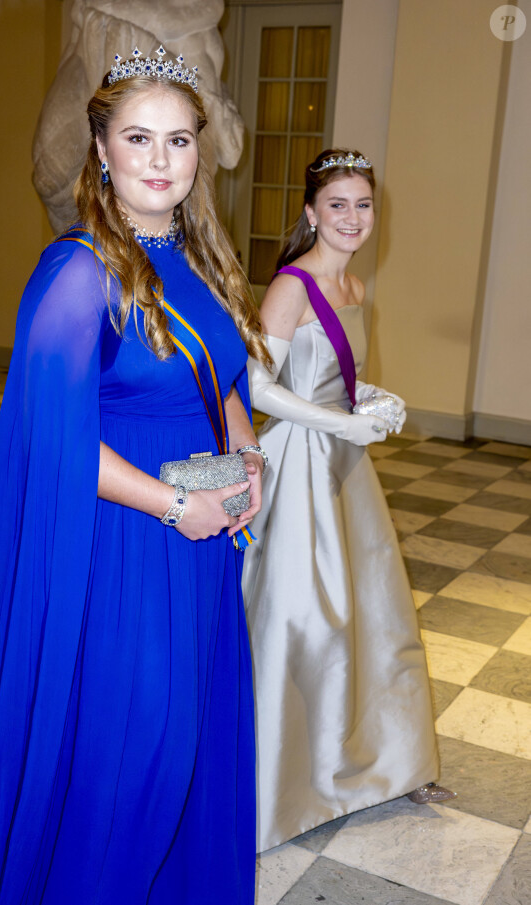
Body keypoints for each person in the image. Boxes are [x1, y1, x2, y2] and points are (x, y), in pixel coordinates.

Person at [0, 47, 270, 903]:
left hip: (201, 539)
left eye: (178, 140)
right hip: (128, 541)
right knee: (137, 751)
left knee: (192, 737)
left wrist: (247, 455)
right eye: (139, 138)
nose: (162, 161)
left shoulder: (201, 258)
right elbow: (54, 437)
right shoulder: (75, 273)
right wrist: (178, 505)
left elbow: (226, 376)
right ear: (101, 148)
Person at [242, 149, 454, 853]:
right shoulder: (291, 287)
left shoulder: (356, 288)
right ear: (311, 213)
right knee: (307, 620)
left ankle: (390, 764)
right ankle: (281, 787)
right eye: (338, 204)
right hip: (300, 464)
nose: (353, 218)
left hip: (345, 469)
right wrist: (340, 421)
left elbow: (336, 379)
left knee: (374, 615)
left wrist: (371, 399)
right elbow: (258, 387)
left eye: (364, 205)